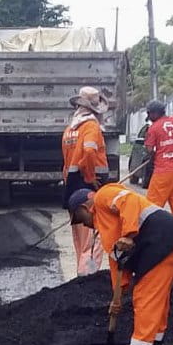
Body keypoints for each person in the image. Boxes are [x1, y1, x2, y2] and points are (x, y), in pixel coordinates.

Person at [67, 184, 173, 345]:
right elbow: (118, 263)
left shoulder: (103, 195)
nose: (84, 225)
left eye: (80, 219)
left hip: (162, 240)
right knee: (158, 296)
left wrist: (128, 234)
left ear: (84, 208)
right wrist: (117, 296)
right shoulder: (108, 227)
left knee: (146, 296)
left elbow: (130, 200)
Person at [62, 86, 109, 276]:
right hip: (88, 186)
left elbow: (67, 161)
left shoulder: (70, 129)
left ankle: (80, 277)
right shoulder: (90, 126)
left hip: (71, 187)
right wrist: (91, 178)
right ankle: (86, 280)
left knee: (80, 241)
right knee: (93, 240)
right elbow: (89, 151)